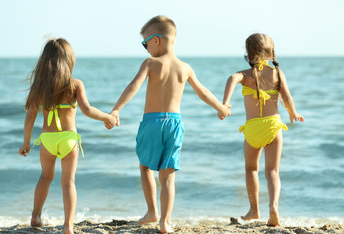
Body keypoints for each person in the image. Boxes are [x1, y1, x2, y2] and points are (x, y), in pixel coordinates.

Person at [106, 15, 231, 233]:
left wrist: (116, 109)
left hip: (152, 122)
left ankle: (152, 210)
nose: (145, 49)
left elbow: (133, 86)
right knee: (168, 175)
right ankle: (165, 221)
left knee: (145, 166)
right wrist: (220, 108)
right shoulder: (185, 68)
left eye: (145, 43)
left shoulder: (151, 63)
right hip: (175, 124)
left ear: (157, 40)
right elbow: (203, 92)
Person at [18, 38, 117, 234]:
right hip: (69, 139)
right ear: (69, 60)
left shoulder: (40, 87)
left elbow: (30, 115)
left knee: (45, 177)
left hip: (47, 139)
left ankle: (36, 216)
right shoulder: (75, 84)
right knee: (68, 182)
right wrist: (109, 117)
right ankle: (68, 226)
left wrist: (26, 142)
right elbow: (88, 110)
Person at [220, 33, 304, 226]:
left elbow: (231, 78)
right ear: (271, 54)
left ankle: (254, 209)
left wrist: (225, 103)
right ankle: (273, 207)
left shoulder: (244, 75)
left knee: (251, 169)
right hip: (274, 126)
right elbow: (288, 97)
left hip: (253, 128)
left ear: (248, 55)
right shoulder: (277, 73)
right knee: (272, 172)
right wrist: (293, 112)